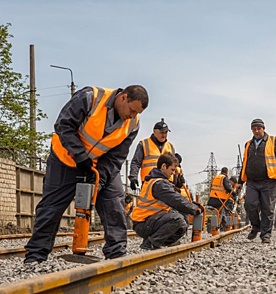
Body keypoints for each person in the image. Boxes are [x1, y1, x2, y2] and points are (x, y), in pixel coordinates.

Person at [24, 85, 149, 263]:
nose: (132, 116)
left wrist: (100, 179)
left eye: (137, 113)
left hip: (98, 166)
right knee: (51, 207)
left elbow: (116, 157)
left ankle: (116, 255)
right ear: (123, 97)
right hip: (65, 159)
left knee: (114, 204)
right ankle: (35, 256)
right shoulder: (90, 98)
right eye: (132, 110)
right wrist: (80, 156)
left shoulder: (133, 124)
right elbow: (63, 125)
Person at [131, 153, 202, 249]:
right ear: (164, 166)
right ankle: (151, 243)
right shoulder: (159, 184)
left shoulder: (158, 181)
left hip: (148, 221)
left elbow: (176, 197)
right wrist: (194, 209)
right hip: (143, 223)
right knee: (177, 219)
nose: (173, 173)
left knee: (182, 226)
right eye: (172, 170)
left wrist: (192, 205)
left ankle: (154, 242)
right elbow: (175, 200)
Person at [238, 118, 276, 243]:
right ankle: (256, 226)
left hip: (269, 181)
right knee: (250, 204)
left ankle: (265, 235)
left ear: (263, 129)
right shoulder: (248, 144)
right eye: (254, 129)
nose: (256, 131)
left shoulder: (273, 141)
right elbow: (245, 163)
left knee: (268, 208)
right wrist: (240, 181)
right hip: (252, 181)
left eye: (258, 128)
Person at [129, 118, 175, 191]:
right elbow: (136, 163)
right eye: (161, 132)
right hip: (149, 183)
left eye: (166, 132)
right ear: (154, 131)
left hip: (167, 183)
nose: (164, 135)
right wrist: (133, 177)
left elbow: (174, 166)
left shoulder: (170, 147)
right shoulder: (144, 144)